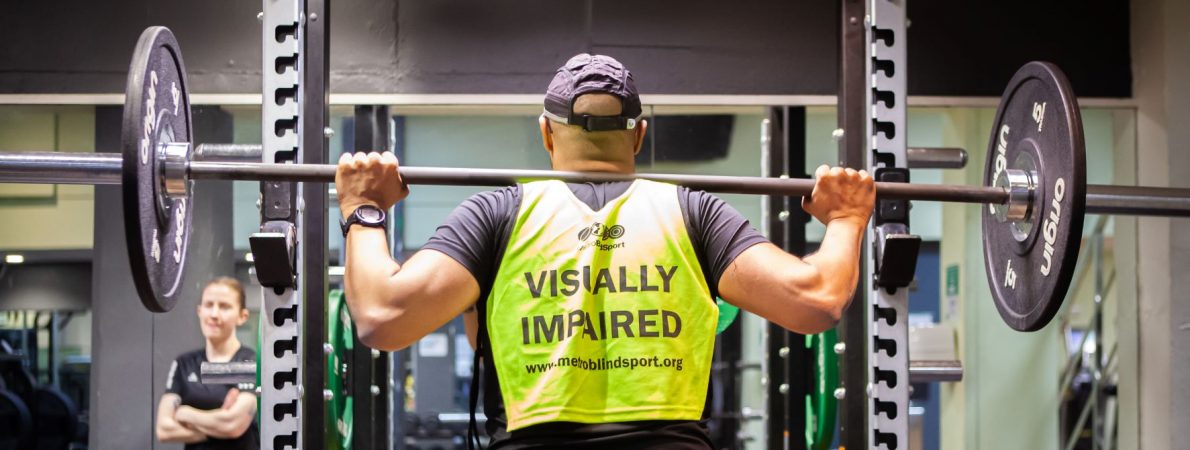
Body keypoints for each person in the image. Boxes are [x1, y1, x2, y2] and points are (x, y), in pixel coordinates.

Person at [335, 54, 874, 449]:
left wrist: (365, 210)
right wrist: (847, 218)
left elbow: (383, 317)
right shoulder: (693, 213)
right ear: (639, 136)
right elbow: (818, 300)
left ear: (546, 134)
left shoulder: (498, 214)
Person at [156, 277, 259, 450]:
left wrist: (184, 413)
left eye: (224, 307)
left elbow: (233, 425)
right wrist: (217, 425)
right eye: (209, 305)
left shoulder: (248, 361)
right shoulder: (184, 364)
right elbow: (164, 429)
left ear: (242, 316)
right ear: (199, 311)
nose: (214, 314)